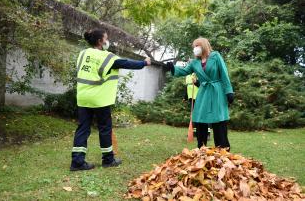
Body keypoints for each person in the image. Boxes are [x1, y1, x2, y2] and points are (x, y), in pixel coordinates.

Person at [70, 29, 151, 171]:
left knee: (83, 129)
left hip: (83, 97)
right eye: (106, 38)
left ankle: (77, 162)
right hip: (99, 98)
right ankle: (108, 160)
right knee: (105, 128)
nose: (108, 41)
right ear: (100, 41)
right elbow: (126, 63)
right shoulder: (106, 57)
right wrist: (144, 63)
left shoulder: (83, 54)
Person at [166, 37, 234, 150]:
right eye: (194, 46)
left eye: (197, 46)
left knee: (219, 120)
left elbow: (224, 74)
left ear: (204, 46)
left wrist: (229, 91)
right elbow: (184, 71)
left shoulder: (216, 56)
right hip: (203, 91)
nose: (195, 48)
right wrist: (173, 68)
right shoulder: (194, 62)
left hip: (217, 91)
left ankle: (223, 149)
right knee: (200, 118)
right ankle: (201, 148)